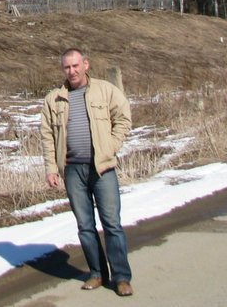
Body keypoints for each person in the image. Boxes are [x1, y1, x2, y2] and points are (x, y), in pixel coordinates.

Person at [40, 48, 133, 297]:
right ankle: (97, 273)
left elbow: (123, 118)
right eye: (67, 67)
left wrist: (110, 146)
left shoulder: (105, 90)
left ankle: (122, 277)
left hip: (102, 168)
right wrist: (51, 167)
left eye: (76, 65)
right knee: (85, 226)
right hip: (73, 171)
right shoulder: (54, 99)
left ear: (86, 65)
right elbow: (47, 135)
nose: (72, 71)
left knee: (112, 224)